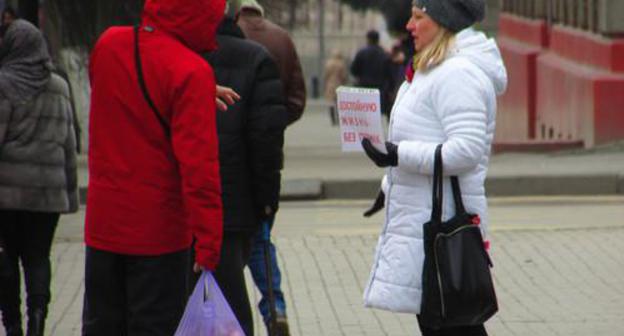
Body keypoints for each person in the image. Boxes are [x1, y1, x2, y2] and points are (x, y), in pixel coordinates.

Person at [360, 0, 507, 335]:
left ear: (444, 21)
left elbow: (466, 151)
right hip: (427, 222)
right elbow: (429, 137)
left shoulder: (458, 74)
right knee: (443, 324)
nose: (409, 26)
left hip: (443, 227)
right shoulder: (433, 68)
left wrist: (397, 154)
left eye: (418, 17)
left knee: (451, 325)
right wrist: (389, 185)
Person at [82, 0, 225, 335]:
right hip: (158, 236)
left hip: (103, 229)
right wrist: (208, 243)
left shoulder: (108, 44)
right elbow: (199, 169)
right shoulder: (191, 72)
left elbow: (118, 89)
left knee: (101, 326)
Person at [201, 11, 287, 336]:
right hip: (237, 202)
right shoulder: (257, 57)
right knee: (232, 302)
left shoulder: (180, 55)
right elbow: (266, 140)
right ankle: (275, 307)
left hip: (182, 205)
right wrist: (267, 202)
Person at [0, 19, 78, 336]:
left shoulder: (4, 84)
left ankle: (13, 325)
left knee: (7, 257)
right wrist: (70, 196)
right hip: (48, 194)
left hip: (7, 194)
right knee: (38, 257)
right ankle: (38, 319)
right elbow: (68, 143)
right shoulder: (59, 86)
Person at [237, 1, 306, 334]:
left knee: (227, 242)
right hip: (267, 156)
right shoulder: (282, 38)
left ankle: (230, 314)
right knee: (261, 238)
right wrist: (273, 124)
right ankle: (274, 306)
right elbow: (297, 101)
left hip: (226, 157)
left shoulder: (221, 39)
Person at [350, 29, 392, 117]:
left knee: (364, 115)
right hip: (379, 90)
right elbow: (389, 73)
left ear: (368, 39)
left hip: (364, 88)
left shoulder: (361, 53)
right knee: (376, 114)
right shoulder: (384, 54)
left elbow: (353, 70)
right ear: (378, 39)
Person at [324, 50, 348, 125]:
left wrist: (325, 83)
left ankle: (333, 119)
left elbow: (326, 75)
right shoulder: (341, 64)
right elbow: (344, 76)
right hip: (339, 84)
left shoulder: (328, 63)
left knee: (331, 102)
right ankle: (339, 119)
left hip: (330, 85)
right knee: (339, 103)